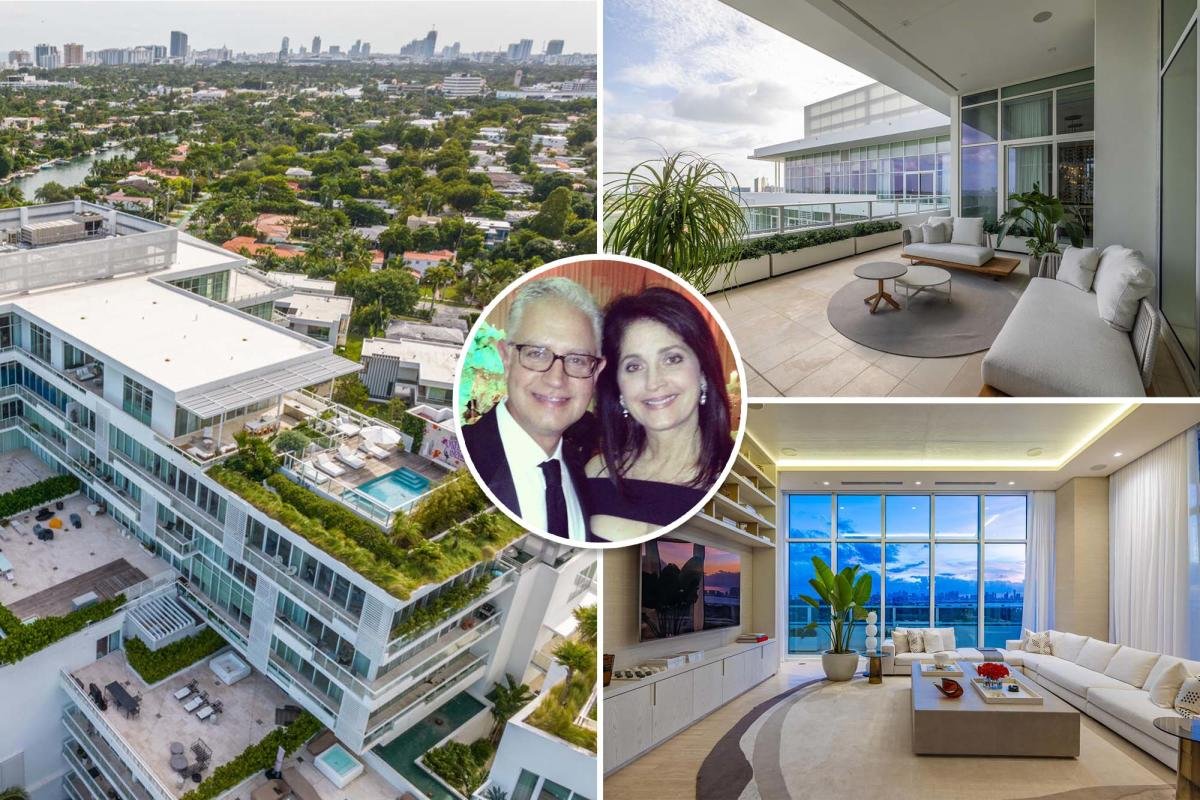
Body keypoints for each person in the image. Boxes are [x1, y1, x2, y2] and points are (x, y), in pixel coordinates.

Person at [460, 277, 605, 543]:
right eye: (537, 353)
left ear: (596, 372)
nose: (556, 379)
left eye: (577, 359)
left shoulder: (585, 474)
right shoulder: (462, 461)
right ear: (506, 358)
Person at [585, 286, 733, 540]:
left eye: (672, 359)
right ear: (618, 385)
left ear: (702, 371)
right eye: (634, 366)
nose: (653, 382)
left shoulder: (731, 480)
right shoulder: (597, 473)